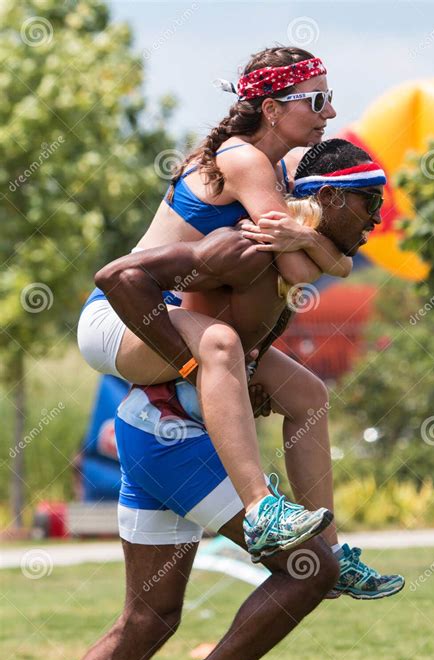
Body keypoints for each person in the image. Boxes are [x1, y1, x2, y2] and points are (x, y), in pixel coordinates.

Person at [54, 142, 404, 660]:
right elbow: (119, 277)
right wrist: (192, 366)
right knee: (310, 569)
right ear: (331, 198)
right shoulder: (244, 248)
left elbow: (305, 285)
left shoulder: (297, 258)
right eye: (369, 203)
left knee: (148, 621)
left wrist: (241, 371)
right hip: (172, 434)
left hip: (160, 433)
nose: (375, 220)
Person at [77, 46, 350, 559]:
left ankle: (333, 555)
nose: (330, 113)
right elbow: (295, 272)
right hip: (120, 317)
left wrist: (309, 242)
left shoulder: (277, 169)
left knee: (307, 395)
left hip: (164, 317)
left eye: (329, 99)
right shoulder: (246, 160)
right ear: (272, 109)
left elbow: (324, 264)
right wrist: (314, 244)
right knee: (221, 343)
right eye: (317, 100)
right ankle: (260, 508)